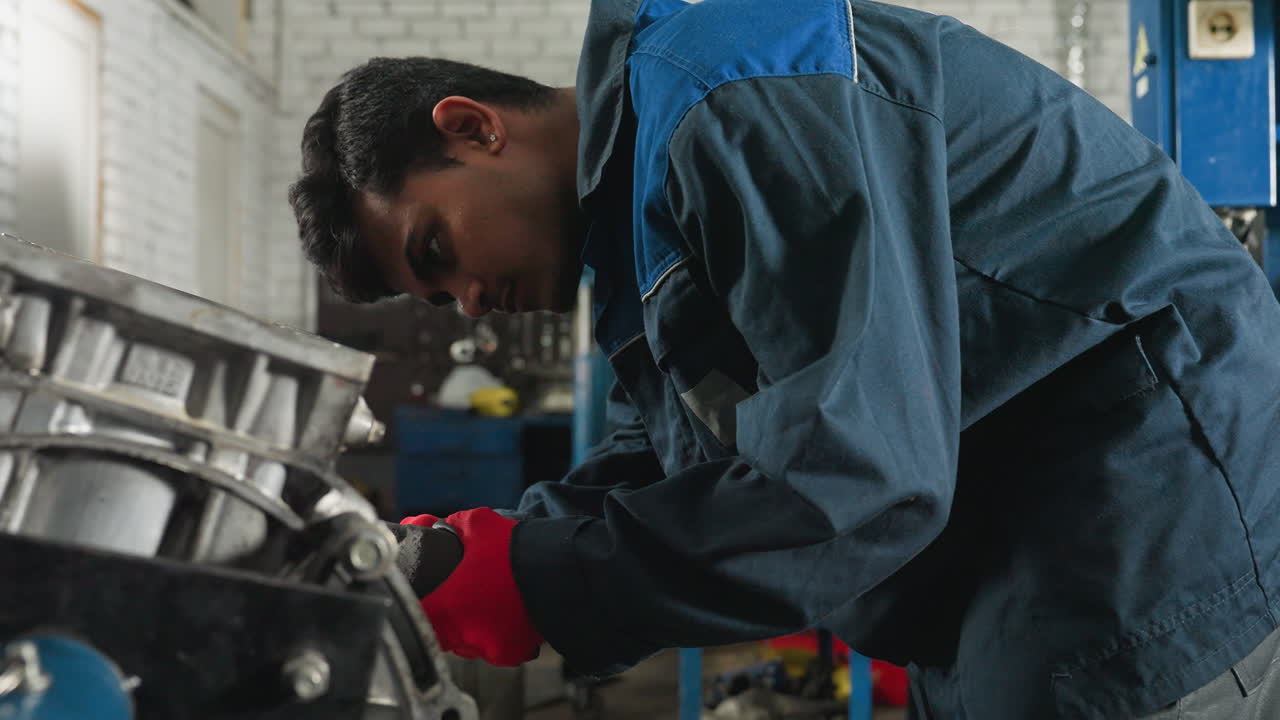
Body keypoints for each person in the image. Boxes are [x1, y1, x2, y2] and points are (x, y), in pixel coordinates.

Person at [288, 0, 1280, 717]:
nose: (471, 302)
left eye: (437, 251)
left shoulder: (732, 92)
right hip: (1006, 547)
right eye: (436, 297)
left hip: (1145, 507)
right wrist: (483, 551)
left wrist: (544, 581)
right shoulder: (638, 236)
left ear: (471, 127)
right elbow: (698, 462)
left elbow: (856, 476)